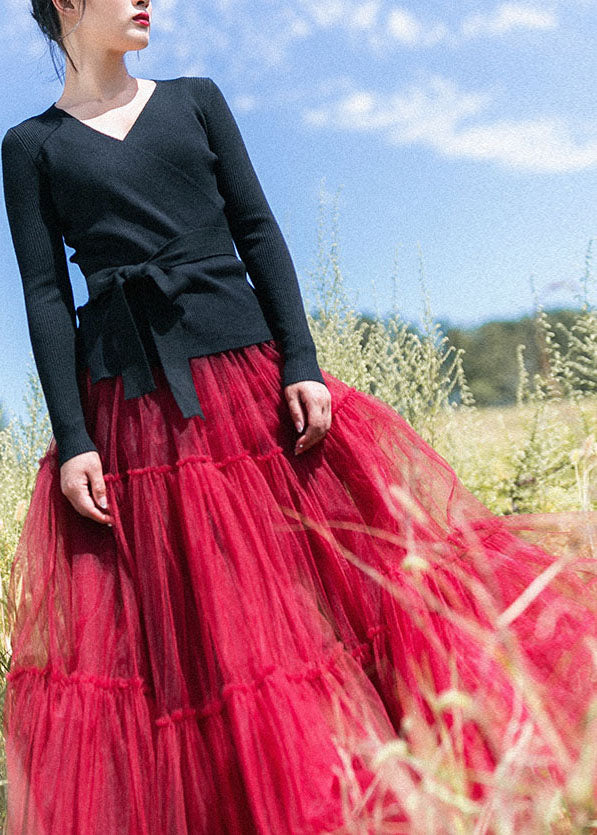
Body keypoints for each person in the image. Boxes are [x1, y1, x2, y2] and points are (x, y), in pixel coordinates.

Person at [2, 0, 597, 832]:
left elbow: (257, 229)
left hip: (248, 386)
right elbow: (41, 293)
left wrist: (302, 361)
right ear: (66, 0)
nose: (148, 0)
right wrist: (72, 440)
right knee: (194, 646)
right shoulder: (32, 146)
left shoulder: (195, 98)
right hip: (132, 414)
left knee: (342, 596)